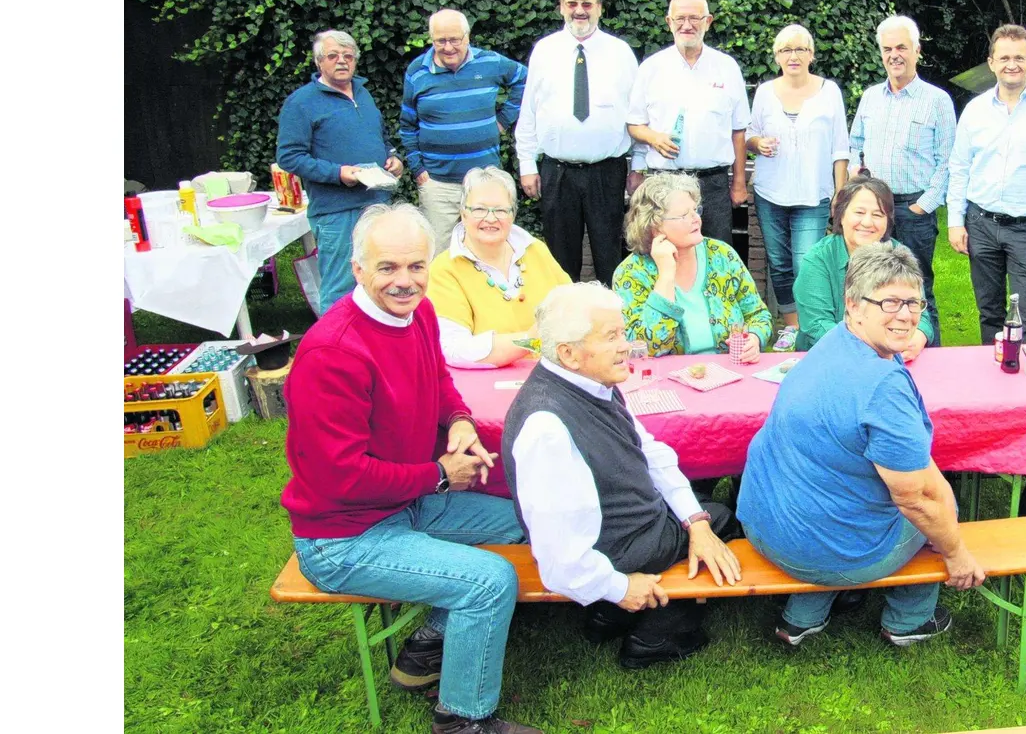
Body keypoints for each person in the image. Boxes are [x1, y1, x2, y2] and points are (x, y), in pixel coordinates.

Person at [281, 203, 540, 734]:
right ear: (357, 270)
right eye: (387, 268)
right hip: (343, 537)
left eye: (416, 266)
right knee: (490, 581)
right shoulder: (333, 353)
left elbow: (439, 377)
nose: (405, 281)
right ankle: (462, 720)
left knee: (526, 519)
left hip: (404, 504)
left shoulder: (418, 313)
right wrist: (440, 475)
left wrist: (460, 419)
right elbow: (341, 477)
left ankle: (429, 642)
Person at [739, 242, 986, 647]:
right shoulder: (883, 388)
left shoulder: (832, 343)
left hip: (764, 524)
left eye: (914, 303)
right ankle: (910, 621)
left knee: (844, 489)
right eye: (889, 302)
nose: (905, 316)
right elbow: (917, 500)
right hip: (818, 549)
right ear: (854, 305)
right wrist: (956, 552)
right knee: (939, 509)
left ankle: (804, 614)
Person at [503, 283, 744, 669]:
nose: (626, 345)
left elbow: (648, 451)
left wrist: (695, 520)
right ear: (569, 353)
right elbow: (557, 556)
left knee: (705, 517)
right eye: (612, 336)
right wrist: (621, 587)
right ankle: (656, 636)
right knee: (727, 521)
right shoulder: (546, 426)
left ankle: (607, 617)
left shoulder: (588, 382)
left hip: (624, 531)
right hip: (618, 547)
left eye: (623, 332)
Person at [946, 24, 1026, 345]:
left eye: (1019, 57)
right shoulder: (975, 111)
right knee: (989, 311)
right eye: (1003, 57)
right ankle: (993, 386)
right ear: (991, 62)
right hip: (981, 225)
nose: (1011, 64)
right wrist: (954, 221)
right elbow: (960, 167)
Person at [513, 0, 639, 284]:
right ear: (561, 8)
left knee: (610, 256)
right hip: (557, 172)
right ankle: (564, 326)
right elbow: (529, 109)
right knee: (559, 258)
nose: (579, 10)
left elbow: (639, 113)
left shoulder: (620, 52)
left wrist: (640, 165)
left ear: (599, 8)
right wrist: (527, 164)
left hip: (607, 172)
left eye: (586, 3)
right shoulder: (544, 50)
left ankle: (612, 324)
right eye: (572, 3)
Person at [848, 15, 958, 345]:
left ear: (916, 50)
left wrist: (923, 206)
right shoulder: (870, 97)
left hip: (914, 209)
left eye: (901, 47)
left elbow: (948, 161)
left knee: (917, 288)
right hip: (874, 210)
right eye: (887, 49)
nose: (894, 55)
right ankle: (877, 349)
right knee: (872, 285)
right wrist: (857, 173)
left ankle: (929, 354)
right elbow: (855, 145)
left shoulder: (937, 100)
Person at [275, 29, 402, 314]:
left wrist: (393, 158)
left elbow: (381, 136)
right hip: (336, 211)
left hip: (376, 203)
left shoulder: (363, 93)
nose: (341, 61)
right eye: (333, 56)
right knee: (340, 287)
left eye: (348, 56)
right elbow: (289, 157)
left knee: (377, 279)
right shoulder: (301, 103)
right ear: (319, 62)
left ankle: (372, 346)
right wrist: (338, 173)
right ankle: (334, 354)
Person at [747, 23, 850, 341]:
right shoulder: (765, 92)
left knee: (805, 263)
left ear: (812, 54)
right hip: (771, 192)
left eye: (800, 49)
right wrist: (757, 143)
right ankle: (791, 327)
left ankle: (811, 324)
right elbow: (750, 134)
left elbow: (840, 146)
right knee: (778, 263)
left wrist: (839, 191)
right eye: (786, 50)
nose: (793, 55)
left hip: (812, 194)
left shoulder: (829, 91)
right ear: (777, 56)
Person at [627, 0, 752, 247]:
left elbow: (738, 131)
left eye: (694, 18)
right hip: (664, 182)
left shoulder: (727, 67)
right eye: (680, 18)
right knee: (665, 251)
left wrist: (739, 182)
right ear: (668, 22)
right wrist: (653, 138)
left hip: (713, 183)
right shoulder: (651, 68)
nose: (687, 25)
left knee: (716, 254)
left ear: (708, 21)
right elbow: (634, 124)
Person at [399, 9, 529, 251]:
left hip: (485, 182)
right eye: (440, 41)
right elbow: (407, 126)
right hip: (438, 184)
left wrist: (503, 120)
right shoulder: (417, 71)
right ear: (431, 39)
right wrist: (418, 169)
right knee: (437, 255)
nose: (448, 47)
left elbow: (525, 79)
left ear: (467, 37)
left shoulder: (490, 62)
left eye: (454, 40)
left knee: (490, 249)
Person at [611, 172, 772, 359]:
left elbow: (759, 314)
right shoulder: (631, 273)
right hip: (663, 381)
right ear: (654, 227)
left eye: (696, 210)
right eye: (683, 216)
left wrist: (754, 338)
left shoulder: (721, 255)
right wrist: (666, 276)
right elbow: (647, 348)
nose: (696, 219)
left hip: (728, 372)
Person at [425, 166, 571, 368]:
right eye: (479, 209)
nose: (491, 218)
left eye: (501, 210)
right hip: (485, 384)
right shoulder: (444, 269)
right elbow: (455, 350)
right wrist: (530, 340)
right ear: (463, 213)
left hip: (552, 375)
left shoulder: (535, 249)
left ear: (513, 214)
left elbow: (574, 306)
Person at [793, 175, 935, 357]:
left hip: (891, 360)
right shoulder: (818, 259)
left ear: (888, 220)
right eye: (859, 213)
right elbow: (817, 325)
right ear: (841, 215)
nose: (867, 222)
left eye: (877, 215)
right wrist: (875, 346)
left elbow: (919, 312)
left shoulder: (900, 255)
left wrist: (919, 336)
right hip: (828, 358)